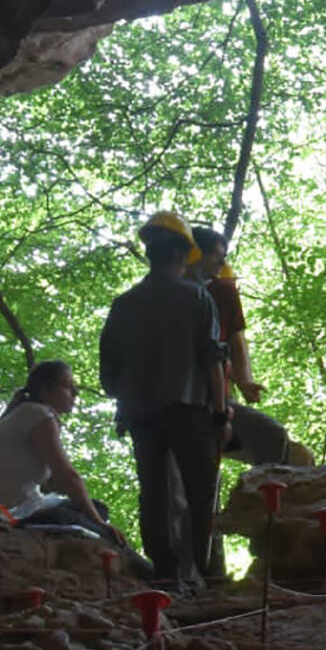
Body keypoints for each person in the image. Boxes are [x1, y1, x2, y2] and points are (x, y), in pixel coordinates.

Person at [97, 210, 228, 589]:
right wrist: (220, 413)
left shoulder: (123, 305)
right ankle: (200, 577)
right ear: (180, 255)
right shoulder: (197, 297)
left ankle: (167, 576)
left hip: (141, 416)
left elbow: (109, 377)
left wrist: (130, 400)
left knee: (154, 495)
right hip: (191, 413)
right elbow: (212, 359)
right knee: (199, 497)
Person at [0, 359, 153, 575]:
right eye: (67, 386)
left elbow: (50, 481)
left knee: (95, 507)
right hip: (8, 512)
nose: (75, 392)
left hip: (5, 506)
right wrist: (99, 523)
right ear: (46, 390)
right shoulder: (38, 414)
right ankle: (151, 576)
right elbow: (67, 476)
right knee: (101, 528)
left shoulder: (24, 413)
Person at [189, 224, 313, 470]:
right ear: (194, 254)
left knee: (298, 455)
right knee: (195, 471)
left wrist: (243, 380)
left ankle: (266, 500)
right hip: (193, 401)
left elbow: (232, 342)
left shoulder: (222, 289)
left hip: (217, 400)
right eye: (217, 255)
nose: (222, 263)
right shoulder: (188, 296)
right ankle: (260, 501)